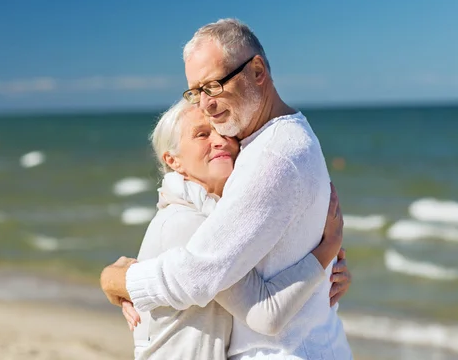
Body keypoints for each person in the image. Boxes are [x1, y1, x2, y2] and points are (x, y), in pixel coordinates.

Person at [101, 18, 354, 359]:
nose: (204, 104)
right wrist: (326, 257)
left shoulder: (272, 155)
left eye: (213, 86)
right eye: (195, 91)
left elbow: (195, 275)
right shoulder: (269, 142)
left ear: (258, 71)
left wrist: (115, 280)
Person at [121, 100, 351, 359]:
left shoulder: (212, 213)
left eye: (223, 132)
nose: (219, 140)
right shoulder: (188, 222)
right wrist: (328, 248)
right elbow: (266, 313)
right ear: (173, 160)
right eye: (202, 135)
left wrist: (329, 277)